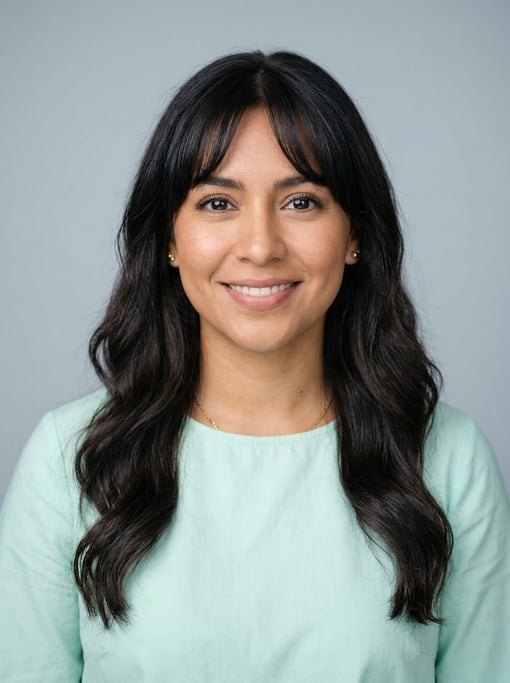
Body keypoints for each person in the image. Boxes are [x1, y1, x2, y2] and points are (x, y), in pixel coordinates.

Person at [0, 50, 509, 682]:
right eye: (218, 203)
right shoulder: (68, 458)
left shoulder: (449, 459)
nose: (262, 246)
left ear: (354, 234)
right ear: (168, 238)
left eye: (302, 202)